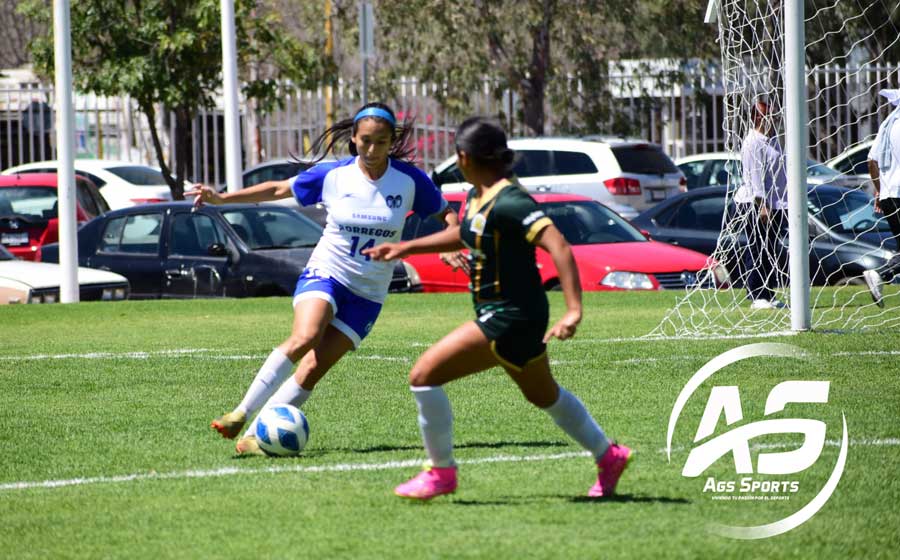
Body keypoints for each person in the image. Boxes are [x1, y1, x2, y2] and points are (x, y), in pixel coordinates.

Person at [363, 117, 632, 500]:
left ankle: (441, 473)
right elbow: (464, 232)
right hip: (511, 314)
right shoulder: (478, 195)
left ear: (464, 156)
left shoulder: (510, 200)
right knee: (545, 396)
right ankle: (609, 456)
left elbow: (559, 245)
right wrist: (405, 248)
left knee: (423, 374)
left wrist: (573, 310)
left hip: (510, 316)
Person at [186, 102, 463, 454]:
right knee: (306, 336)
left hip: (369, 292)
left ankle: (255, 437)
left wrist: (448, 244)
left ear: (391, 141)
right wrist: (221, 198)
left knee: (315, 367)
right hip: (327, 272)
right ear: (353, 139)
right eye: (365, 141)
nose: (372, 149)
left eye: (380, 141)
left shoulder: (409, 180)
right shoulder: (334, 175)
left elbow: (446, 215)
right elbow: (276, 190)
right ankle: (241, 412)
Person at [736, 99, 789, 310]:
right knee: (757, 248)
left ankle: (768, 293)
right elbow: (754, 177)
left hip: (775, 204)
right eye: (770, 116)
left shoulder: (772, 140)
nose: (775, 119)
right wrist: (762, 206)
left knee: (770, 249)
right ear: (758, 118)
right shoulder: (753, 142)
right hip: (756, 204)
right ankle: (756, 293)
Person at [863, 88, 900, 308]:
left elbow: (871, 161)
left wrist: (879, 191)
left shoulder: (888, 123)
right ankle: (881, 273)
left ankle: (881, 274)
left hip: (888, 195)